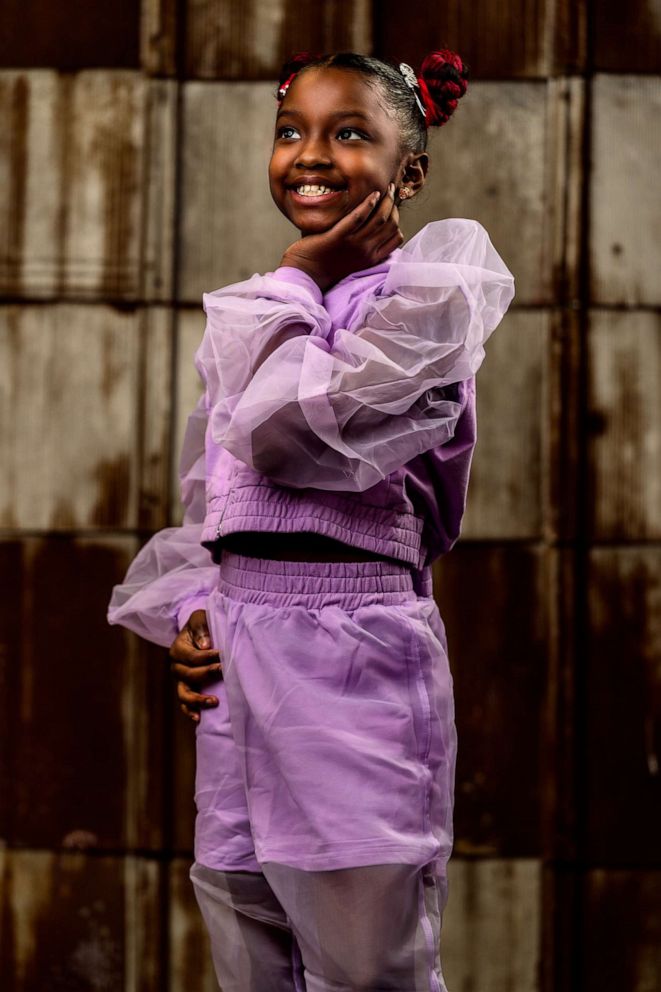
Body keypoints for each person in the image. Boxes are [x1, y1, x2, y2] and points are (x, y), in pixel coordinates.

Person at [108, 49, 515, 992]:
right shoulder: (267, 310)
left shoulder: (429, 299)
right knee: (248, 943)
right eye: (291, 130)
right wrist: (195, 612)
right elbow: (213, 497)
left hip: (352, 659)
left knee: (363, 966)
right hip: (240, 663)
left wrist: (298, 275)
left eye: (349, 133)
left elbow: (286, 436)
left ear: (408, 171)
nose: (310, 154)